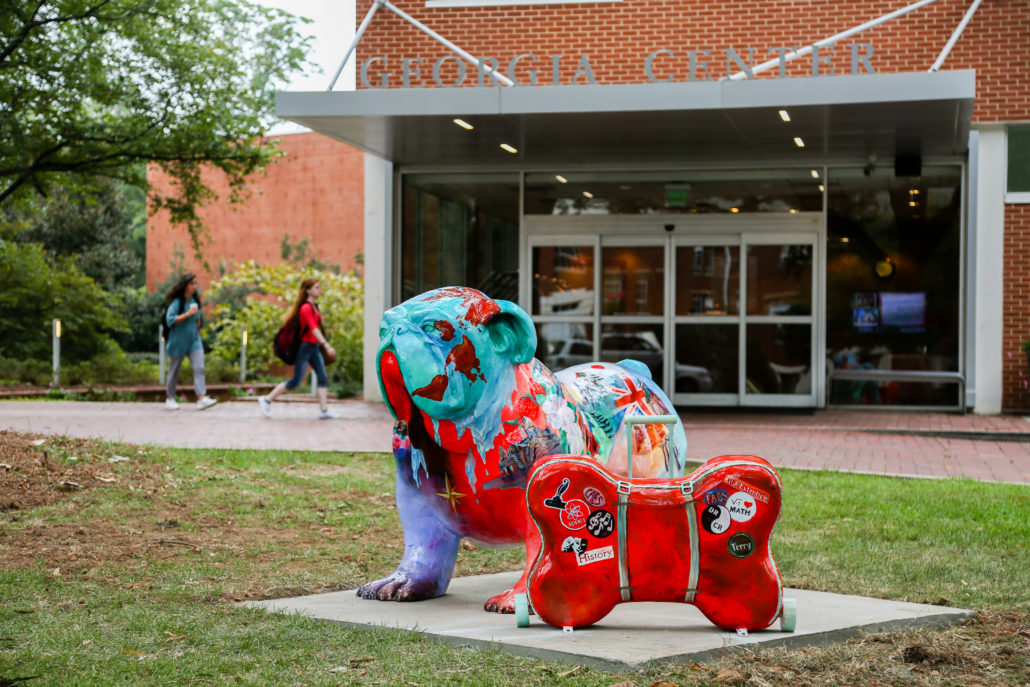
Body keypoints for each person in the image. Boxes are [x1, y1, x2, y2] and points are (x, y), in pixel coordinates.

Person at [259, 277, 340, 419]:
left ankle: (324, 410)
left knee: (322, 377)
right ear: (308, 290)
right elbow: (313, 328)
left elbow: (317, 328)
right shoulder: (306, 307)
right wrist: (326, 346)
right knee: (296, 381)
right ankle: (266, 400)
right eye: (316, 287)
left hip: (314, 346)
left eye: (319, 287)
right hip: (305, 347)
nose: (319, 290)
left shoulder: (315, 306)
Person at [164, 273, 218, 411]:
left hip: (194, 341)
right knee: (174, 371)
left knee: (199, 368)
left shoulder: (194, 301)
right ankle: (170, 398)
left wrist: (198, 334)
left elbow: (197, 320)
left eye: (196, 283)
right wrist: (187, 314)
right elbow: (170, 320)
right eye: (192, 283)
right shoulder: (177, 303)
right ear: (185, 285)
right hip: (178, 342)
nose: (195, 286)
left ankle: (201, 398)